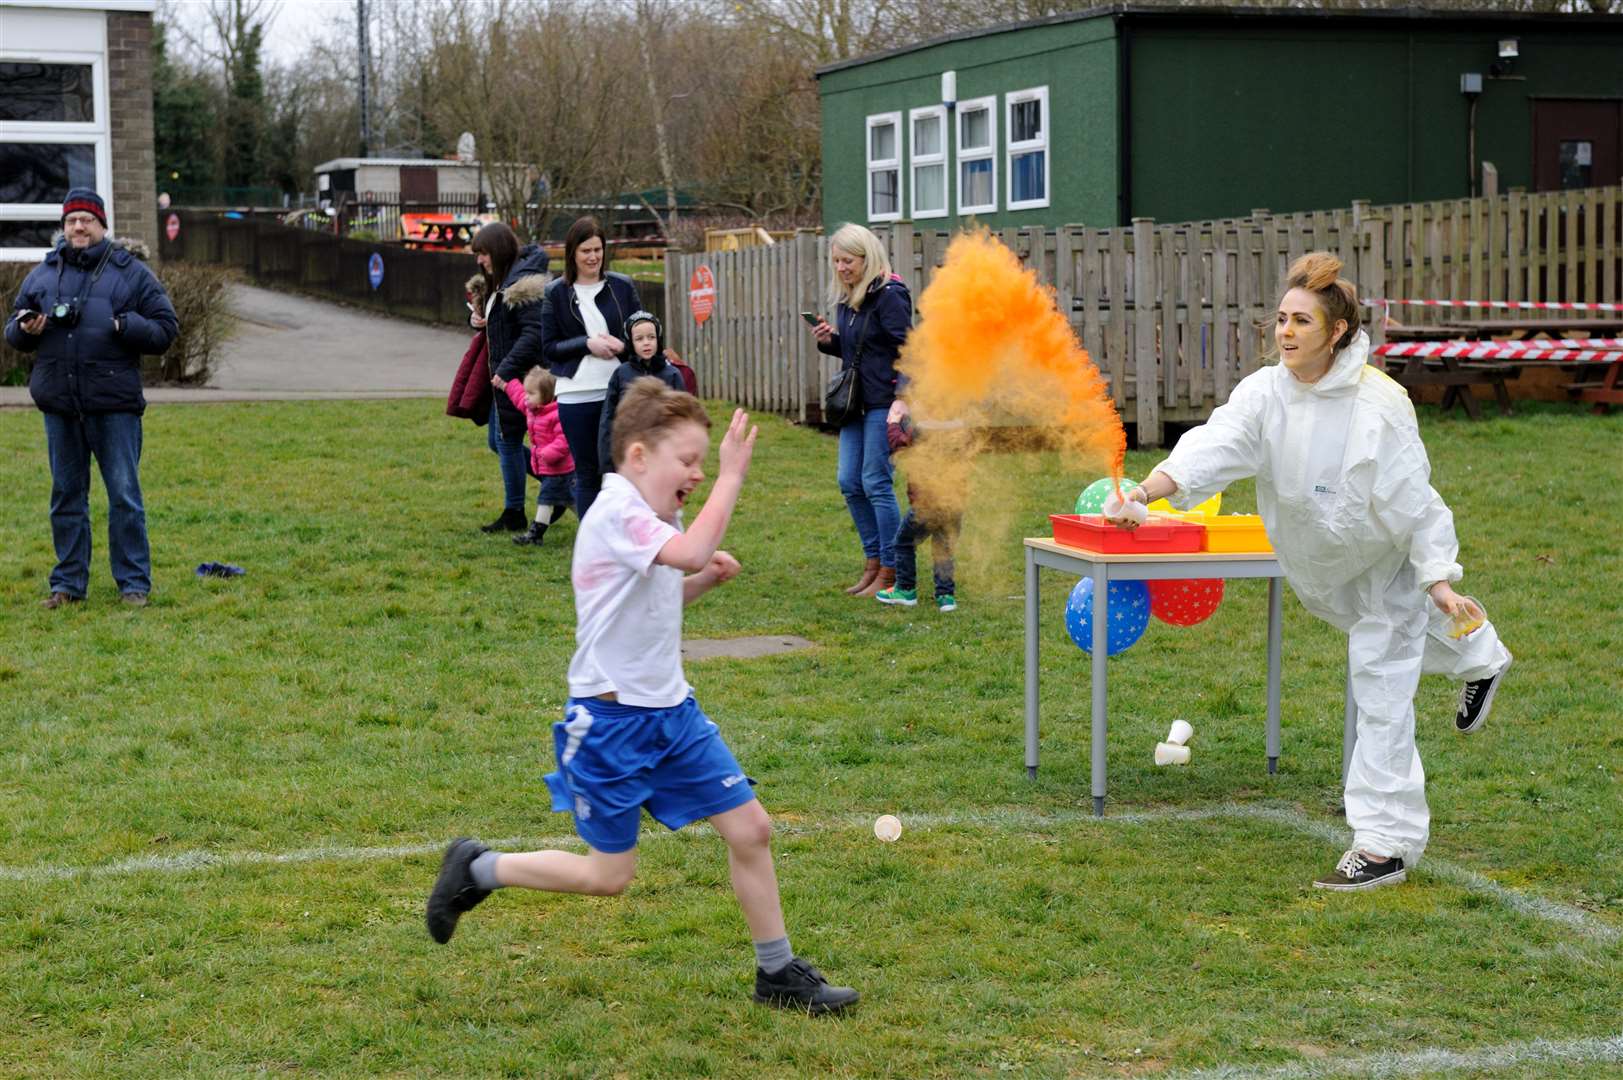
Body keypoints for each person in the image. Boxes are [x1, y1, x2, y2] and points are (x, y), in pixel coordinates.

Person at [425, 381, 859, 1014]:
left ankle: (778, 972)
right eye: (687, 459)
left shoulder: (657, 516)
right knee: (610, 876)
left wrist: (703, 581)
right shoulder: (619, 511)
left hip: (673, 715)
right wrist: (732, 480)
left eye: (705, 460)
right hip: (610, 724)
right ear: (636, 456)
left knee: (751, 829)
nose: (698, 471)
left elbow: (656, 605)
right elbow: (690, 552)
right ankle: (480, 868)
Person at [1106, 252, 1513, 892]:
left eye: (1302, 321)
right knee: (1395, 651)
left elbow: (1417, 501)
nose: (1286, 332)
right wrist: (1145, 492)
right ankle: (1482, 656)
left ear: (1338, 332)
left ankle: (1385, 845)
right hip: (1325, 573)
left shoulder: (1381, 405)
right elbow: (1214, 446)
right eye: (1280, 319)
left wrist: (1437, 579)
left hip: (1387, 568)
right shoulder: (1266, 392)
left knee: (1379, 691)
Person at [5, 188, 179, 609]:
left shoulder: (131, 273)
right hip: (61, 407)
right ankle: (67, 586)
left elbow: (165, 329)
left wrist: (124, 325)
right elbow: (13, 329)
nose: (78, 226)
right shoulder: (43, 275)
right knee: (66, 496)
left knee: (124, 497)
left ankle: (133, 585)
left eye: (86, 219)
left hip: (114, 407)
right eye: (71, 221)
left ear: (102, 225)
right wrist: (25, 328)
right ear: (63, 228)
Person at [808, 223, 911, 598]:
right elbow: (858, 350)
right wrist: (829, 341)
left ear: (867, 259)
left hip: (883, 403)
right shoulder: (847, 297)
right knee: (849, 481)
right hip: (854, 403)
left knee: (876, 482)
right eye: (836, 260)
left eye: (847, 261)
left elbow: (909, 350)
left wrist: (902, 398)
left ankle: (892, 568)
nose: (840, 268)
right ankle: (872, 563)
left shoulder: (890, 295)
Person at [541, 216, 642, 518]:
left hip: (620, 391)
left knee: (622, 472)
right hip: (577, 394)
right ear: (572, 252)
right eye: (586, 250)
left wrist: (623, 347)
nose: (593, 257)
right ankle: (593, 547)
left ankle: (627, 538)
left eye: (598, 249)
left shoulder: (622, 287)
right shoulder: (556, 292)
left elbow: (644, 338)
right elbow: (549, 349)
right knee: (587, 474)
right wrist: (587, 344)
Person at [470, 222, 550, 534]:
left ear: (499, 251)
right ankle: (554, 482)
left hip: (517, 380)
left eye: (484, 253)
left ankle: (515, 510)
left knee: (507, 441)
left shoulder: (521, 285)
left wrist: (505, 369)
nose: (479, 260)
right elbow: (500, 323)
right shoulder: (500, 280)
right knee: (498, 441)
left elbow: (534, 334)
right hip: (502, 378)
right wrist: (477, 320)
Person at [875, 399, 961, 613]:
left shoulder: (925, 429)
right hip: (955, 502)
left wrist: (894, 421)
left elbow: (899, 442)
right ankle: (946, 597)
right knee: (943, 548)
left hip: (926, 504)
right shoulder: (958, 429)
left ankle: (905, 590)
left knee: (903, 542)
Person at [491, 366, 576, 547]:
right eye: (527, 391)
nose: (527, 396)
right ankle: (594, 523)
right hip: (549, 470)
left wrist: (548, 454)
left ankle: (535, 533)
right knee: (570, 501)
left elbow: (564, 441)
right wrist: (505, 384)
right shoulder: (532, 409)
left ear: (546, 395)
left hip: (559, 469)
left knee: (545, 499)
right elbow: (518, 397)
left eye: (531, 393)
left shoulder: (556, 414)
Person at [596, 310, 685, 474]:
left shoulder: (672, 375)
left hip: (663, 450)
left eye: (651, 337)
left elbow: (683, 417)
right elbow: (608, 418)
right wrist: (608, 462)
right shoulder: (620, 374)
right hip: (630, 452)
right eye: (639, 338)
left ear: (658, 339)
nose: (646, 343)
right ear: (630, 342)